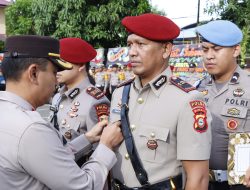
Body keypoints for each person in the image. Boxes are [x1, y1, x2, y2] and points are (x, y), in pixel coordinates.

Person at [0, 35, 123, 190]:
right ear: (33, 73)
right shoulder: (31, 129)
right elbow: (85, 186)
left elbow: (47, 155)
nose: (56, 79)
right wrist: (106, 146)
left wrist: (87, 138)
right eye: (53, 71)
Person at [109, 13, 212, 190]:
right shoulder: (120, 93)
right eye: (129, 45)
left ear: (166, 50)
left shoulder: (187, 100)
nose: (132, 52)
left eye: (141, 44)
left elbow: (198, 177)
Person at [196, 20, 250, 190]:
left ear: (236, 50)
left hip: (239, 184)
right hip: (201, 181)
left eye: (216, 49)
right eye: (205, 49)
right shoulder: (199, 87)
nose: (209, 56)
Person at [51, 37, 110, 143]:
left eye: (63, 64)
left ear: (81, 65)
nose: (57, 69)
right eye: (56, 64)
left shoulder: (95, 101)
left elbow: (100, 147)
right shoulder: (58, 96)